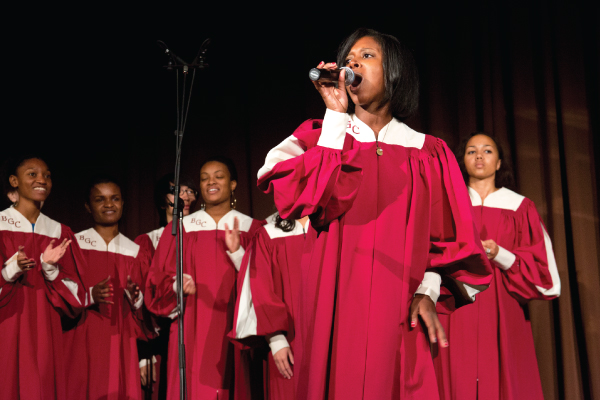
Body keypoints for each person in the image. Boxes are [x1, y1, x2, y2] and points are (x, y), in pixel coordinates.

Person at [256, 28, 493, 399]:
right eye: (348, 57)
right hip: (334, 306)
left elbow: (450, 242)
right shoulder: (320, 134)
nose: (352, 63)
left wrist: (428, 291)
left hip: (401, 310)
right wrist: (335, 119)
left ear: (395, 71)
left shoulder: (430, 153)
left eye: (366, 56)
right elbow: (294, 195)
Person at [433, 133, 561, 400]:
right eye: (471, 151)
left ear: (499, 162)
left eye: (487, 150)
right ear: (462, 161)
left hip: (503, 310)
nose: (479, 156)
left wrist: (500, 253)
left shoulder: (520, 208)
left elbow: (547, 279)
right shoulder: (449, 204)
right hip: (456, 310)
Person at [145, 156, 264, 400]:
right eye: (204, 178)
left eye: (219, 176)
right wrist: (177, 285)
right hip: (192, 326)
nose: (211, 182)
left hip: (238, 324)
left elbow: (265, 282)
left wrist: (237, 252)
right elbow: (158, 280)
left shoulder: (252, 228)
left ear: (233, 184)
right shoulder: (181, 229)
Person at [0, 155, 87, 399]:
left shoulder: (60, 231)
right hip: (7, 327)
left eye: (47, 175)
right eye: (32, 174)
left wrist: (48, 268)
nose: (42, 180)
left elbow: (75, 297)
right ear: (14, 181)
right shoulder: (0, 225)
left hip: (46, 331)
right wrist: (12, 268)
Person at [62, 177, 151, 399]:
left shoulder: (135, 251)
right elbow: (59, 296)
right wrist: (89, 295)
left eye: (115, 199)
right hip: (81, 339)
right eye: (100, 199)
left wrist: (136, 298)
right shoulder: (74, 245)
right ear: (87, 206)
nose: (108, 205)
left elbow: (145, 313)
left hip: (122, 342)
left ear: (123, 204)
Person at [232, 212, 316, 399]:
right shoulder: (268, 234)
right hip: (288, 340)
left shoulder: (330, 227)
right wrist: (276, 340)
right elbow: (261, 288)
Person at [134, 173, 198, 399]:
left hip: (198, 333)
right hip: (161, 343)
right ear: (163, 201)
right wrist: (143, 354)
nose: (185, 196)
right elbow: (138, 299)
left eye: (190, 191)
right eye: (177, 191)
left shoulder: (201, 236)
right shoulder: (148, 241)